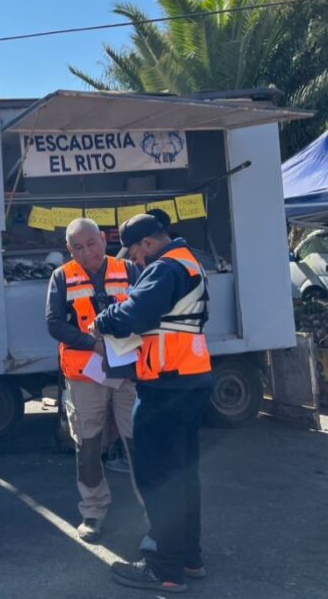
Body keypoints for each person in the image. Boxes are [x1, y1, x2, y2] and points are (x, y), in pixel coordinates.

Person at [90, 214, 213, 594]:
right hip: (190, 381)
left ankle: (163, 568)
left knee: (159, 478)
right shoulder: (190, 262)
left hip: (165, 386)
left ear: (146, 244)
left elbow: (135, 314)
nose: (137, 262)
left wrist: (103, 319)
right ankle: (187, 558)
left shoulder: (164, 268)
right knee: (182, 476)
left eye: (136, 254)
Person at [45, 218, 142, 543]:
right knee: (88, 446)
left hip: (128, 373)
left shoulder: (129, 269)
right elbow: (55, 324)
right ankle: (93, 512)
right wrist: (95, 345)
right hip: (86, 374)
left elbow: (148, 312)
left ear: (103, 238)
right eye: (77, 247)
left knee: (138, 442)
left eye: (91, 243)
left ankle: (152, 511)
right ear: (68, 249)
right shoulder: (61, 276)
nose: (87, 252)